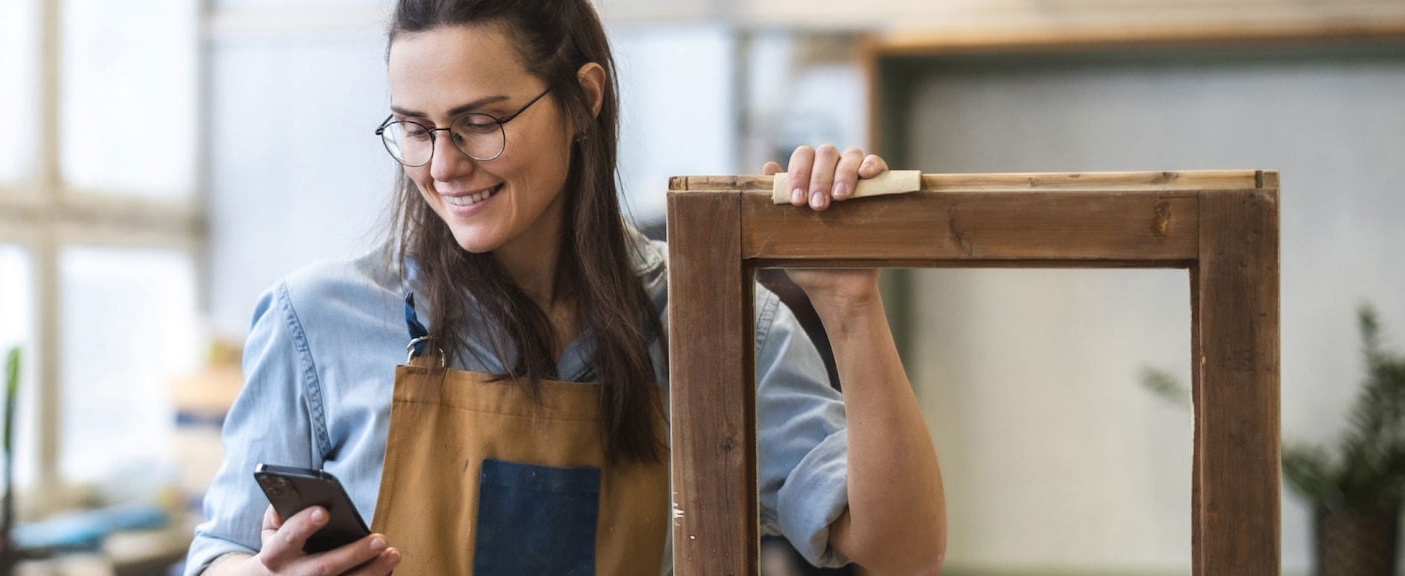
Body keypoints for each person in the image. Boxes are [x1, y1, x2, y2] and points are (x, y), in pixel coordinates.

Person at [187, 0, 945, 573]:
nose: (443, 166)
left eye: (480, 122)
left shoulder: (716, 324)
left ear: (584, 99)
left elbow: (902, 551)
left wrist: (850, 306)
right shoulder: (314, 320)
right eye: (415, 128)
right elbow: (218, 551)